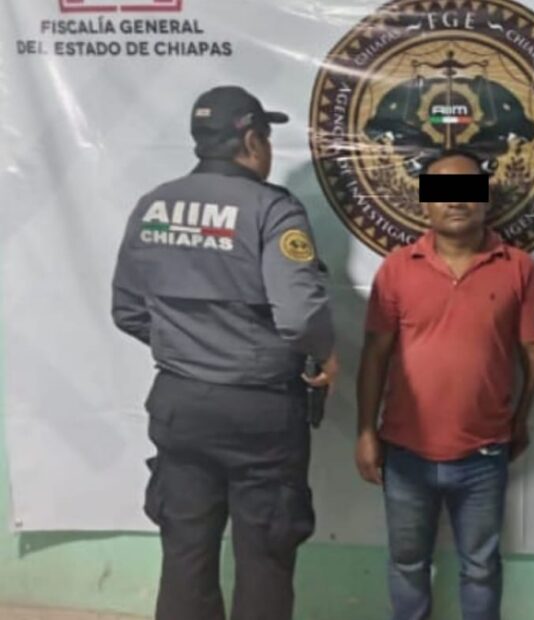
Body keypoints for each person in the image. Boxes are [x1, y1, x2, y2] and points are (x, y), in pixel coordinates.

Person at [111, 85, 337, 620]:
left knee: (185, 553)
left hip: (180, 404)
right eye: (267, 137)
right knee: (266, 554)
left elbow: (128, 310)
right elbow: (299, 316)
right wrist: (325, 355)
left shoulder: (154, 204)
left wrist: (188, 347)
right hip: (260, 411)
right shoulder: (272, 208)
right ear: (252, 139)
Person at [355, 149, 534, 620]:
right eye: (443, 191)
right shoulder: (398, 268)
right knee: (407, 563)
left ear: (485, 197)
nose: (456, 201)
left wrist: (521, 419)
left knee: (481, 567)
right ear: (425, 201)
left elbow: (532, 351)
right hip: (405, 452)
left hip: (484, 454)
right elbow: (375, 354)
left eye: (467, 189)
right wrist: (365, 431)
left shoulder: (518, 266)